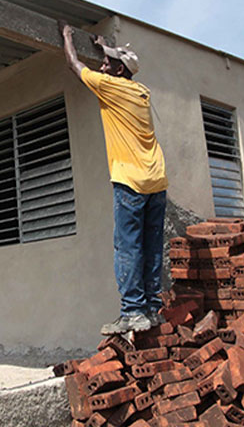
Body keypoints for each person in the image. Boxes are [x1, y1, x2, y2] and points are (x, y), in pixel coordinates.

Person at [60, 23, 168, 335]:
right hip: (156, 180)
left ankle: (132, 311)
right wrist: (105, 46)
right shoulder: (139, 90)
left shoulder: (111, 87)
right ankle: (151, 308)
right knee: (151, 246)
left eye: (107, 64)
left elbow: (73, 64)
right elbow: (113, 64)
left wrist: (67, 37)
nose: (101, 67)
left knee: (128, 247)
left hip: (131, 182)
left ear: (119, 70)